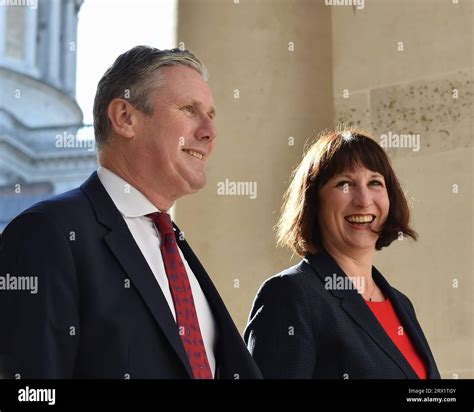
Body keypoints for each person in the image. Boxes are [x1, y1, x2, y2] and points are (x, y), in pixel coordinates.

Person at [0, 46, 261, 379]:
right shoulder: (47, 234)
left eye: (211, 114)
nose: (210, 131)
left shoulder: (174, 247)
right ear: (125, 118)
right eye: (189, 110)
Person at [244, 129, 440, 379]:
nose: (363, 200)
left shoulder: (401, 304)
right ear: (315, 201)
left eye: (375, 182)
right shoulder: (291, 295)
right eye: (344, 184)